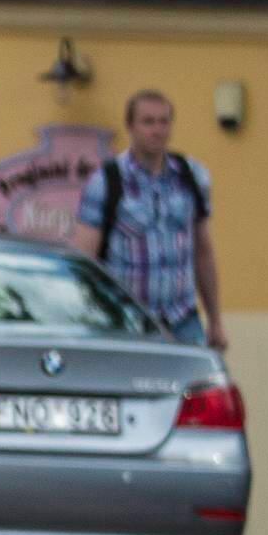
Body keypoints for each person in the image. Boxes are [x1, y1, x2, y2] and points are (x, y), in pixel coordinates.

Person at [75, 88, 222, 344]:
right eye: (148, 122)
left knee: (199, 384)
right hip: (126, 321)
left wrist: (216, 321)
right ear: (130, 126)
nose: (157, 130)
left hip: (182, 319)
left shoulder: (192, 177)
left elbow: (203, 252)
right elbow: (84, 260)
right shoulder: (107, 182)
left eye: (164, 121)